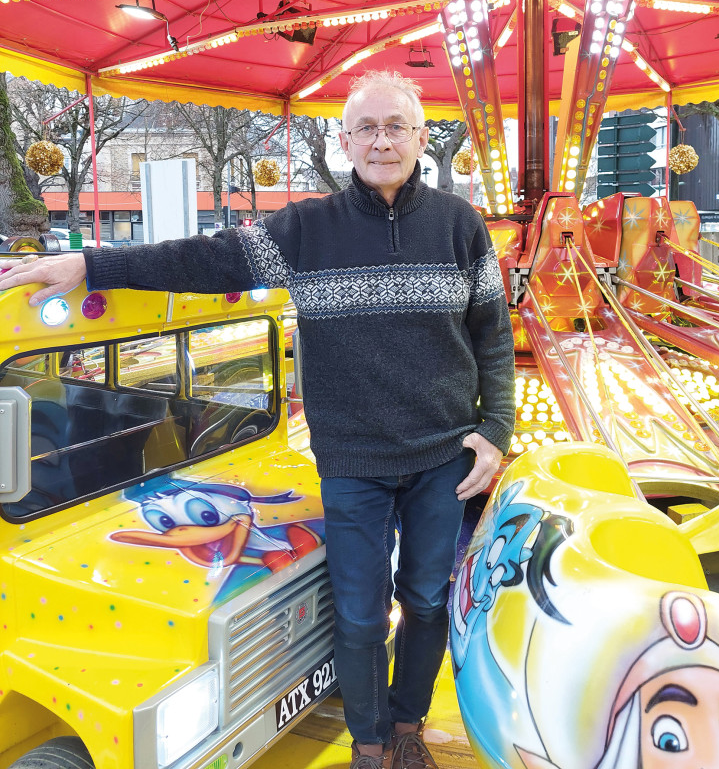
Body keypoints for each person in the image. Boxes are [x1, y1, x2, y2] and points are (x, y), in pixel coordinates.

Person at [0, 69, 515, 769]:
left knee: (425, 601)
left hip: (440, 455)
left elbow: (492, 336)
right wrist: (93, 266)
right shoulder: (308, 229)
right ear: (344, 142)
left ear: (421, 138)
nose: (382, 141)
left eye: (396, 127)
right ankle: (368, 743)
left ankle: (406, 725)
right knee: (360, 613)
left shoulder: (460, 226)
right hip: (353, 460)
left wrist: (495, 430)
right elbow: (204, 259)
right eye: (366, 128)